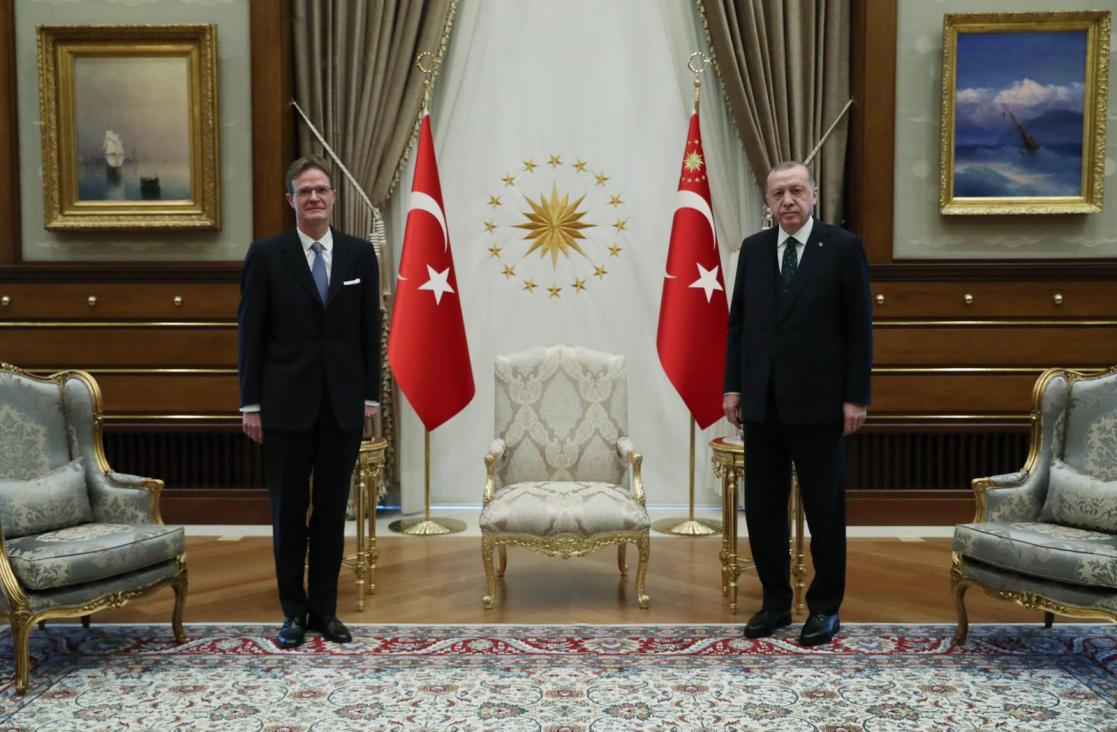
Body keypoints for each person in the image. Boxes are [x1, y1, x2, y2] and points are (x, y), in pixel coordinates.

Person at [722, 160, 872, 647]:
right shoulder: (754, 249)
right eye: (776, 194)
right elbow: (739, 325)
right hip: (762, 405)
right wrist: (733, 387)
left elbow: (859, 331)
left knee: (823, 511)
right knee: (763, 511)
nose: (786, 201)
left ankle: (825, 608)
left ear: (813, 195)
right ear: (768, 203)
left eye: (794, 191)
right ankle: (775, 604)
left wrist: (856, 397)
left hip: (822, 406)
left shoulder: (843, 248)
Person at [238, 155, 380, 649]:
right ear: (291, 201)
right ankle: (293, 614)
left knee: (330, 515)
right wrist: (250, 405)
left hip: (342, 407)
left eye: (321, 190)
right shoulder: (266, 254)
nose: (314, 198)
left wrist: (369, 399)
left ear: (334, 197)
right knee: (289, 513)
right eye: (305, 192)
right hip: (283, 409)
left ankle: (325, 610)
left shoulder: (361, 255)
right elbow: (250, 334)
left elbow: (368, 335)